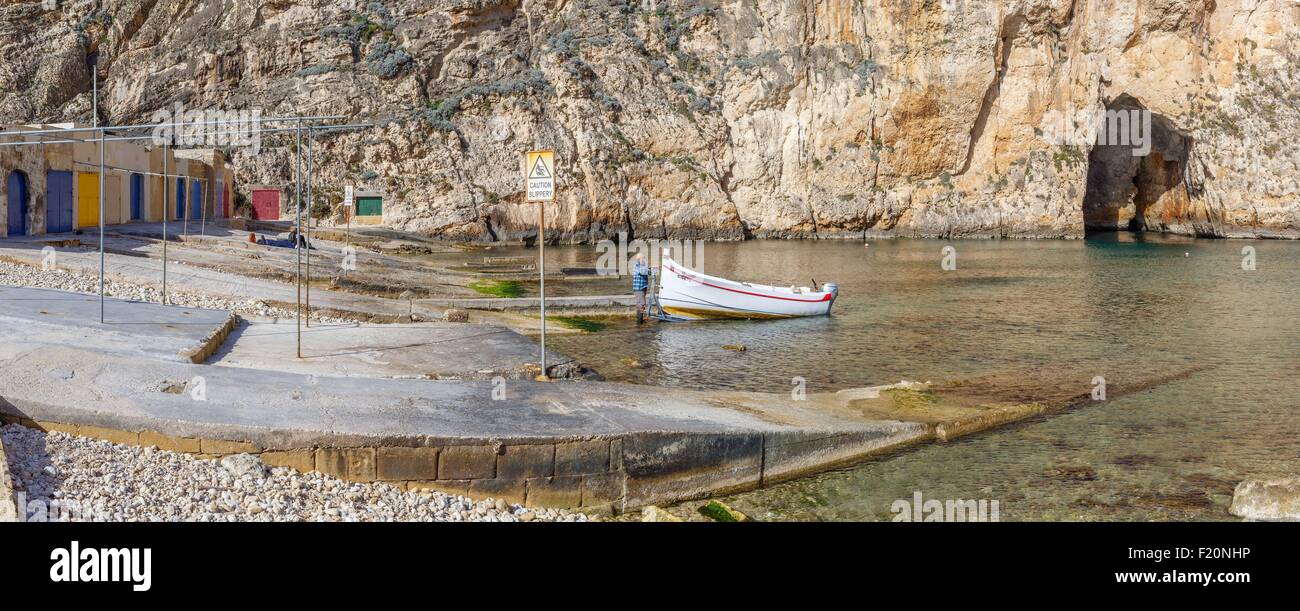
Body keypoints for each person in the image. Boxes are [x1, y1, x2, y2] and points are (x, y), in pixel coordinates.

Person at [631, 253, 654, 324]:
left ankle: (641, 319)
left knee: (641, 303)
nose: (644, 260)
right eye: (643, 258)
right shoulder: (637, 265)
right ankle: (639, 321)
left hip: (642, 287)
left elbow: (647, 272)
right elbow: (643, 272)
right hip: (639, 288)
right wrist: (650, 270)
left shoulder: (642, 266)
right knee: (641, 303)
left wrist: (651, 269)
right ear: (639, 259)